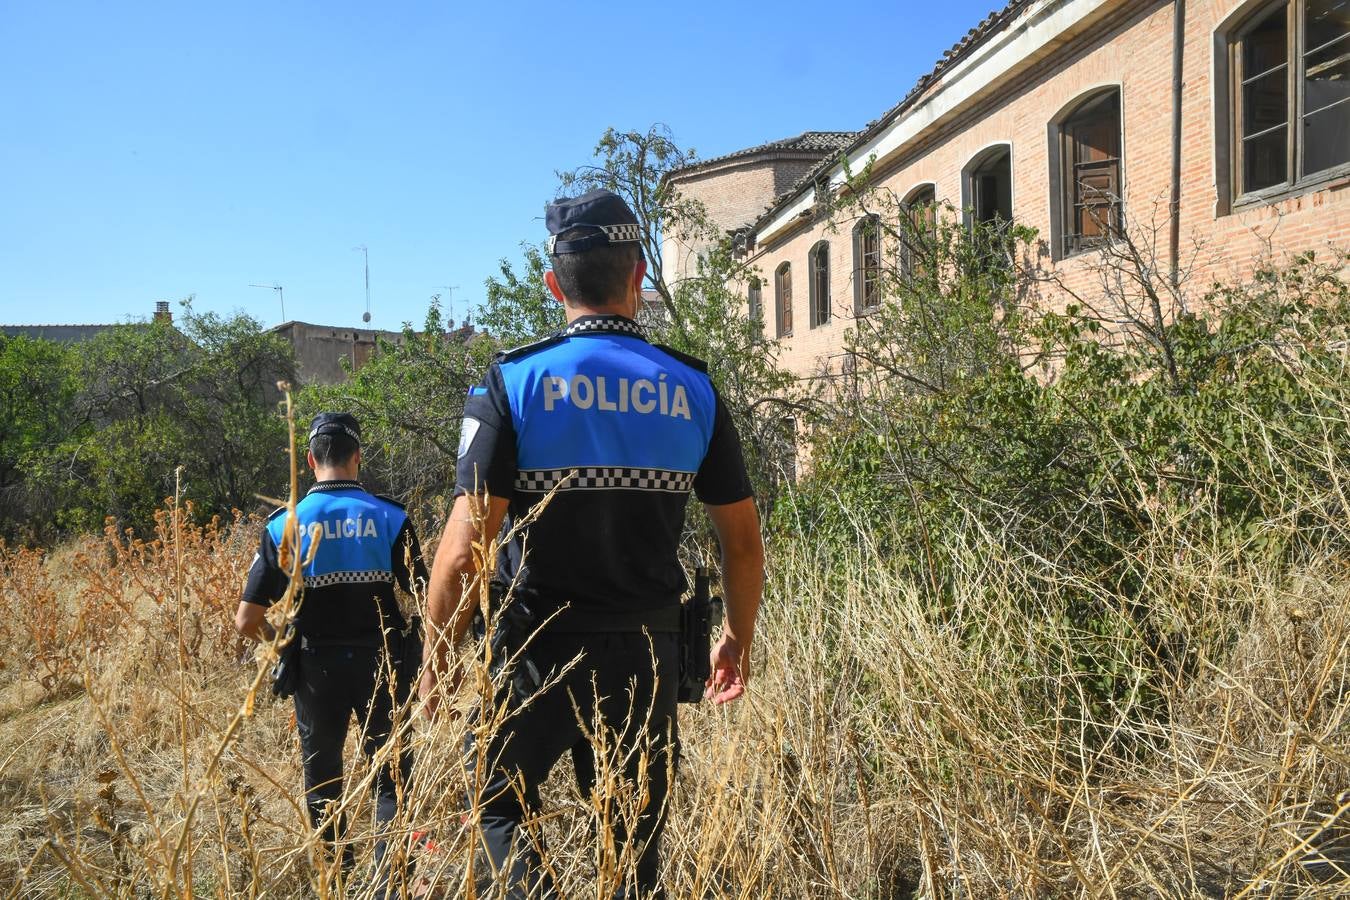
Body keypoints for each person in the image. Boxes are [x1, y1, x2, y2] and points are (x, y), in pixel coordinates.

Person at [420, 188, 765, 899]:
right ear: (639, 275)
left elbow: (462, 550)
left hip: (531, 649)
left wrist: (436, 656)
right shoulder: (693, 388)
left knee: (496, 808)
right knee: (631, 851)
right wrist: (736, 636)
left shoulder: (513, 381)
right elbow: (743, 545)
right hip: (647, 653)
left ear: (553, 287)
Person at [234, 411, 427, 888]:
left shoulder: (285, 525)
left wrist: (281, 649)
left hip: (316, 668)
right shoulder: (391, 516)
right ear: (357, 458)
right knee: (392, 777)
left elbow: (247, 620)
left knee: (322, 779)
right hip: (383, 664)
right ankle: (392, 883)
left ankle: (337, 878)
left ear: (309, 459)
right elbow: (426, 595)